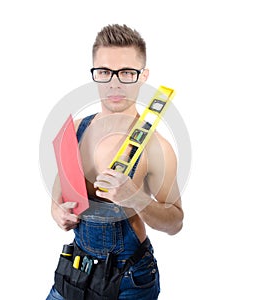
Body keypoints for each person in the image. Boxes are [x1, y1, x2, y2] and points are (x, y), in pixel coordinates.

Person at [46, 24, 183, 300]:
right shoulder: (74, 130)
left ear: (143, 76)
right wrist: (57, 211)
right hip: (76, 267)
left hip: (129, 279)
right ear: (94, 74)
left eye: (127, 73)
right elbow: (59, 190)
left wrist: (136, 198)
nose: (115, 82)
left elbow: (176, 223)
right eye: (105, 71)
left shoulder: (156, 148)